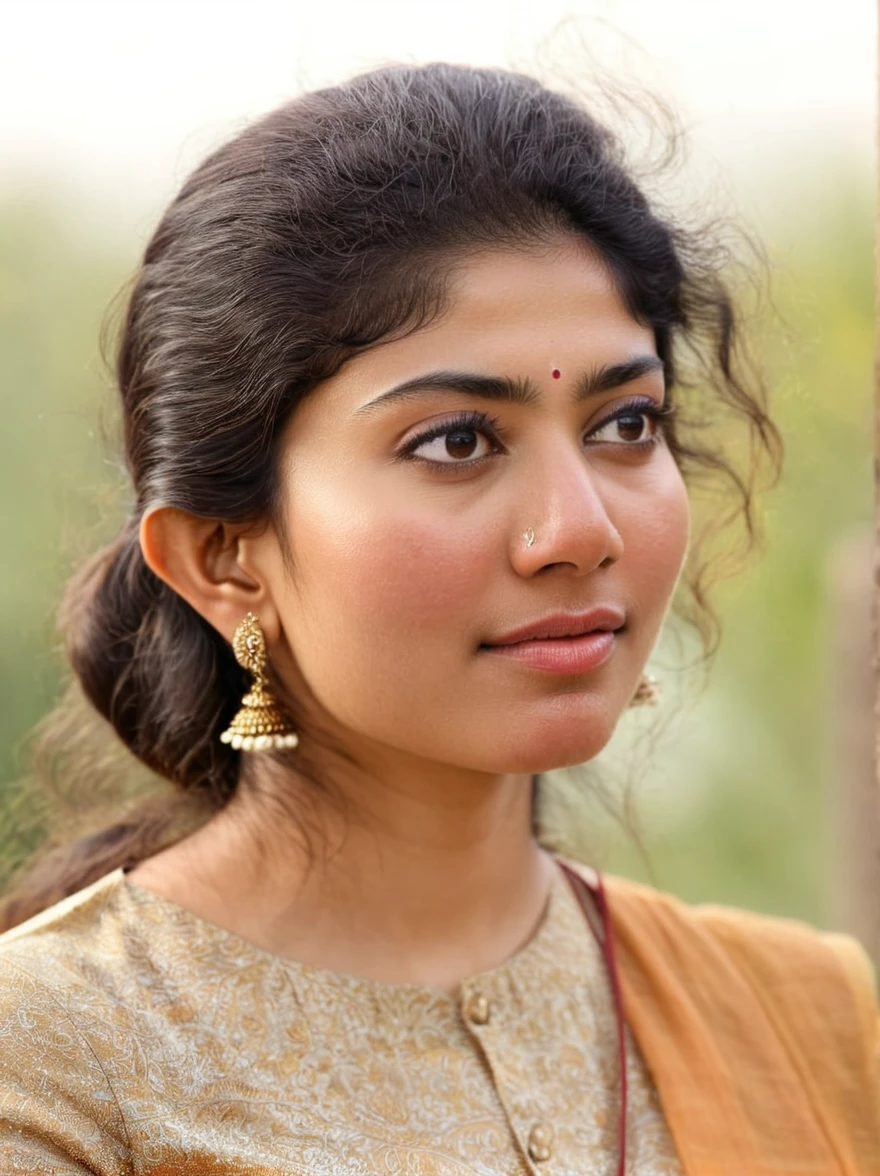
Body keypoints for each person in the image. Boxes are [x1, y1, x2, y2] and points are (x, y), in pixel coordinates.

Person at [0, 61, 876, 1176]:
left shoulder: (799, 1018)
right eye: (456, 441)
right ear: (225, 560)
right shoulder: (53, 1069)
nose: (579, 528)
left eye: (624, 424)